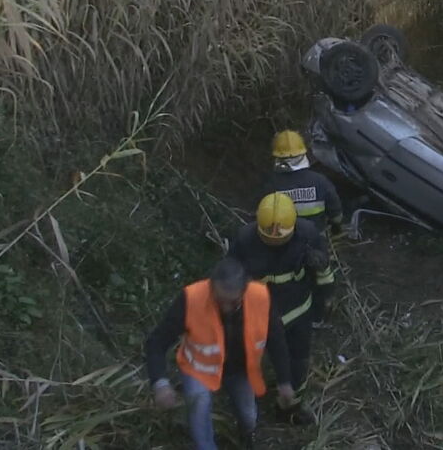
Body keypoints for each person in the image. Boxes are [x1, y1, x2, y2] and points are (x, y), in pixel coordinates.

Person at [145, 257, 295, 450]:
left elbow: (276, 340)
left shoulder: (260, 297)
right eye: (219, 300)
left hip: (240, 370)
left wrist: (284, 381)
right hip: (199, 369)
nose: (225, 307)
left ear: (244, 291)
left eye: (232, 302)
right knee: (199, 415)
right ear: (211, 287)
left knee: (249, 416)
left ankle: (246, 436)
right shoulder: (191, 299)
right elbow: (157, 342)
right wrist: (160, 383)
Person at [229, 192, 329, 423]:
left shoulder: (307, 234)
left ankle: (289, 409)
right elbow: (230, 272)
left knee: (298, 361)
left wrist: (320, 265)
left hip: (298, 310)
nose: (274, 241)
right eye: (268, 237)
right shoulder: (245, 239)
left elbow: (324, 268)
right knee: (246, 358)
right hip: (260, 314)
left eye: (280, 238)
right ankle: (242, 400)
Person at [262, 129, 343, 327]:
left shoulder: (271, 184)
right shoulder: (320, 181)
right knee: (322, 277)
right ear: (303, 154)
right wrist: (336, 227)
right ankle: (320, 316)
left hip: (282, 243)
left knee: (289, 281)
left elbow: (261, 215)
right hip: (316, 241)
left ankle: (289, 315)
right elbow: (336, 211)